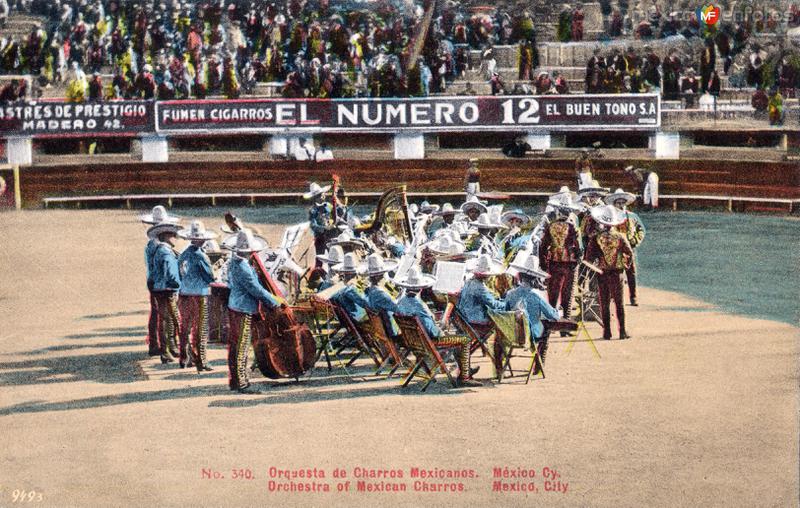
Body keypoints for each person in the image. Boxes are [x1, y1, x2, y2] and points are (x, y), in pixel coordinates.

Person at [396, 266, 481, 387]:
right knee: (465, 339)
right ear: (420, 288)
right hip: (430, 341)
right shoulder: (419, 305)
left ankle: (464, 370)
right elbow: (433, 332)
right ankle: (465, 377)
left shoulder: (402, 301)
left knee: (458, 339)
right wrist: (442, 329)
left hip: (414, 342)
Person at [227, 229, 281, 394]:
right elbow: (255, 289)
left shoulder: (234, 262)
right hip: (243, 308)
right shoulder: (243, 266)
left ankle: (236, 380)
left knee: (236, 345)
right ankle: (242, 383)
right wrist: (274, 302)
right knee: (242, 345)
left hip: (236, 305)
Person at [584, 205, 633, 340]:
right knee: (619, 303)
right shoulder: (620, 237)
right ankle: (622, 331)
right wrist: (624, 265)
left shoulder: (596, 238)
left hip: (602, 272)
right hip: (617, 273)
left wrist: (596, 265)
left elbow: (588, 258)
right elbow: (629, 252)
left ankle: (607, 332)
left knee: (604, 303)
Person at [505, 254, 560, 372]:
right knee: (546, 331)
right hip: (531, 335)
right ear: (536, 278)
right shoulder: (536, 295)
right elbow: (553, 315)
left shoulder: (510, 294)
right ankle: (538, 366)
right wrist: (558, 311)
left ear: (520, 276)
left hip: (512, 333)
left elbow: (505, 312)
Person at [139, 205, 181, 356]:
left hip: (154, 282)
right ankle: (165, 346)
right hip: (161, 284)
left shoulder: (151, 245)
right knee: (165, 316)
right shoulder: (160, 248)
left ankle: (157, 344)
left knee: (158, 315)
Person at [539, 188, 583, 331]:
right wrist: (578, 259)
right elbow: (579, 247)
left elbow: (542, 246)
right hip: (569, 264)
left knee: (553, 295)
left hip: (553, 264)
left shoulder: (551, 226)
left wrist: (543, 264)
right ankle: (565, 326)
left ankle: (552, 323)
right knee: (567, 296)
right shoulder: (573, 227)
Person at [177, 220, 217, 371]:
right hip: (199, 295)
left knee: (185, 327)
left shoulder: (183, 255)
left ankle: (184, 358)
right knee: (200, 328)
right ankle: (201, 361)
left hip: (184, 294)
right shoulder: (201, 256)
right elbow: (209, 277)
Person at [148, 221, 182, 364]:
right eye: (172, 235)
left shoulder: (158, 250)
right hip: (167, 289)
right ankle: (166, 350)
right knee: (169, 319)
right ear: (166, 236)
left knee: (165, 319)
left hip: (159, 288)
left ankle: (166, 350)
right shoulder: (166, 252)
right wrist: (178, 284)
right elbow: (171, 274)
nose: (175, 237)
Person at [605, 189, 645, 306]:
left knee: (631, 273)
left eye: (623, 203)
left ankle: (633, 297)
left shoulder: (632, 216)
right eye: (618, 203)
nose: (621, 205)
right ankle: (614, 296)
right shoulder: (610, 218)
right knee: (615, 273)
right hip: (615, 250)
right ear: (614, 204)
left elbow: (641, 229)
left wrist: (636, 240)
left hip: (629, 248)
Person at [362, 253, 400, 338]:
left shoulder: (371, 290)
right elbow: (398, 308)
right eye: (383, 274)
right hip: (393, 330)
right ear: (378, 277)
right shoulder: (379, 294)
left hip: (384, 328)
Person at [329, 253, 370, 324]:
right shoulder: (350, 289)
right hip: (360, 318)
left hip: (354, 316)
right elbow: (365, 303)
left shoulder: (343, 287)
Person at [305, 182, 335, 268]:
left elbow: (335, 215)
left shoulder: (329, 206)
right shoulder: (313, 210)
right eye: (320, 195)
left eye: (323, 194)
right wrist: (325, 228)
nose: (323, 195)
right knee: (319, 258)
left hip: (330, 236)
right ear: (315, 198)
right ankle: (318, 275)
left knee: (333, 257)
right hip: (320, 238)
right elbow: (313, 226)